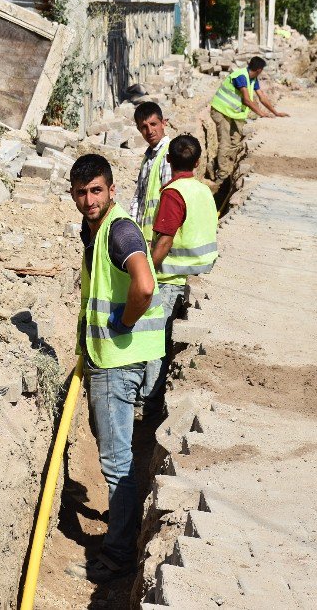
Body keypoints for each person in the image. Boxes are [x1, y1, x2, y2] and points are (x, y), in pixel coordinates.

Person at [69, 154, 166, 583]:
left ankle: (117, 555)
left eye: (96, 191)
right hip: (111, 359)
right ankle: (124, 530)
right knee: (119, 457)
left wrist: (123, 321)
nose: (89, 200)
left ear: (111, 189)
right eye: (81, 192)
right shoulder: (97, 229)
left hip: (116, 362)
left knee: (117, 464)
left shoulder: (119, 231)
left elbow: (143, 286)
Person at [141, 135, 218, 416]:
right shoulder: (203, 192)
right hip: (198, 278)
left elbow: (164, 242)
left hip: (171, 281)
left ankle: (147, 403)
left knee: (153, 343)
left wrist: (143, 274)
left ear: (169, 160)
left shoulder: (174, 193)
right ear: (198, 162)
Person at [209, 56, 288, 214]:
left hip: (233, 114)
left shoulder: (252, 80)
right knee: (225, 142)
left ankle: (229, 168)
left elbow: (262, 97)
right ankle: (222, 176)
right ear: (259, 70)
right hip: (220, 111)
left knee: (236, 142)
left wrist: (275, 112)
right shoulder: (240, 77)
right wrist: (261, 113)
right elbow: (246, 99)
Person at [129, 102, 171, 241]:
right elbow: (139, 196)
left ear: (163, 123)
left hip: (159, 237)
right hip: (145, 236)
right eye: (144, 127)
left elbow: (170, 199)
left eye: (153, 124)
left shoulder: (169, 154)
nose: (150, 131)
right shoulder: (147, 158)